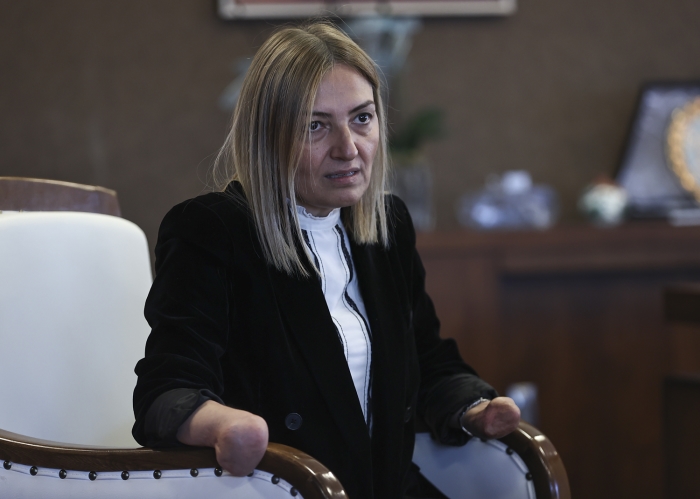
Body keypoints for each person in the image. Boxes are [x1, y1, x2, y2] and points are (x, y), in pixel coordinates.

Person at [132, 21, 520, 499]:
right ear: (267, 136)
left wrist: (473, 407)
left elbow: (426, 358)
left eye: (362, 118)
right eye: (315, 126)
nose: (348, 148)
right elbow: (165, 390)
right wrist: (225, 426)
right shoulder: (212, 230)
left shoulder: (387, 225)